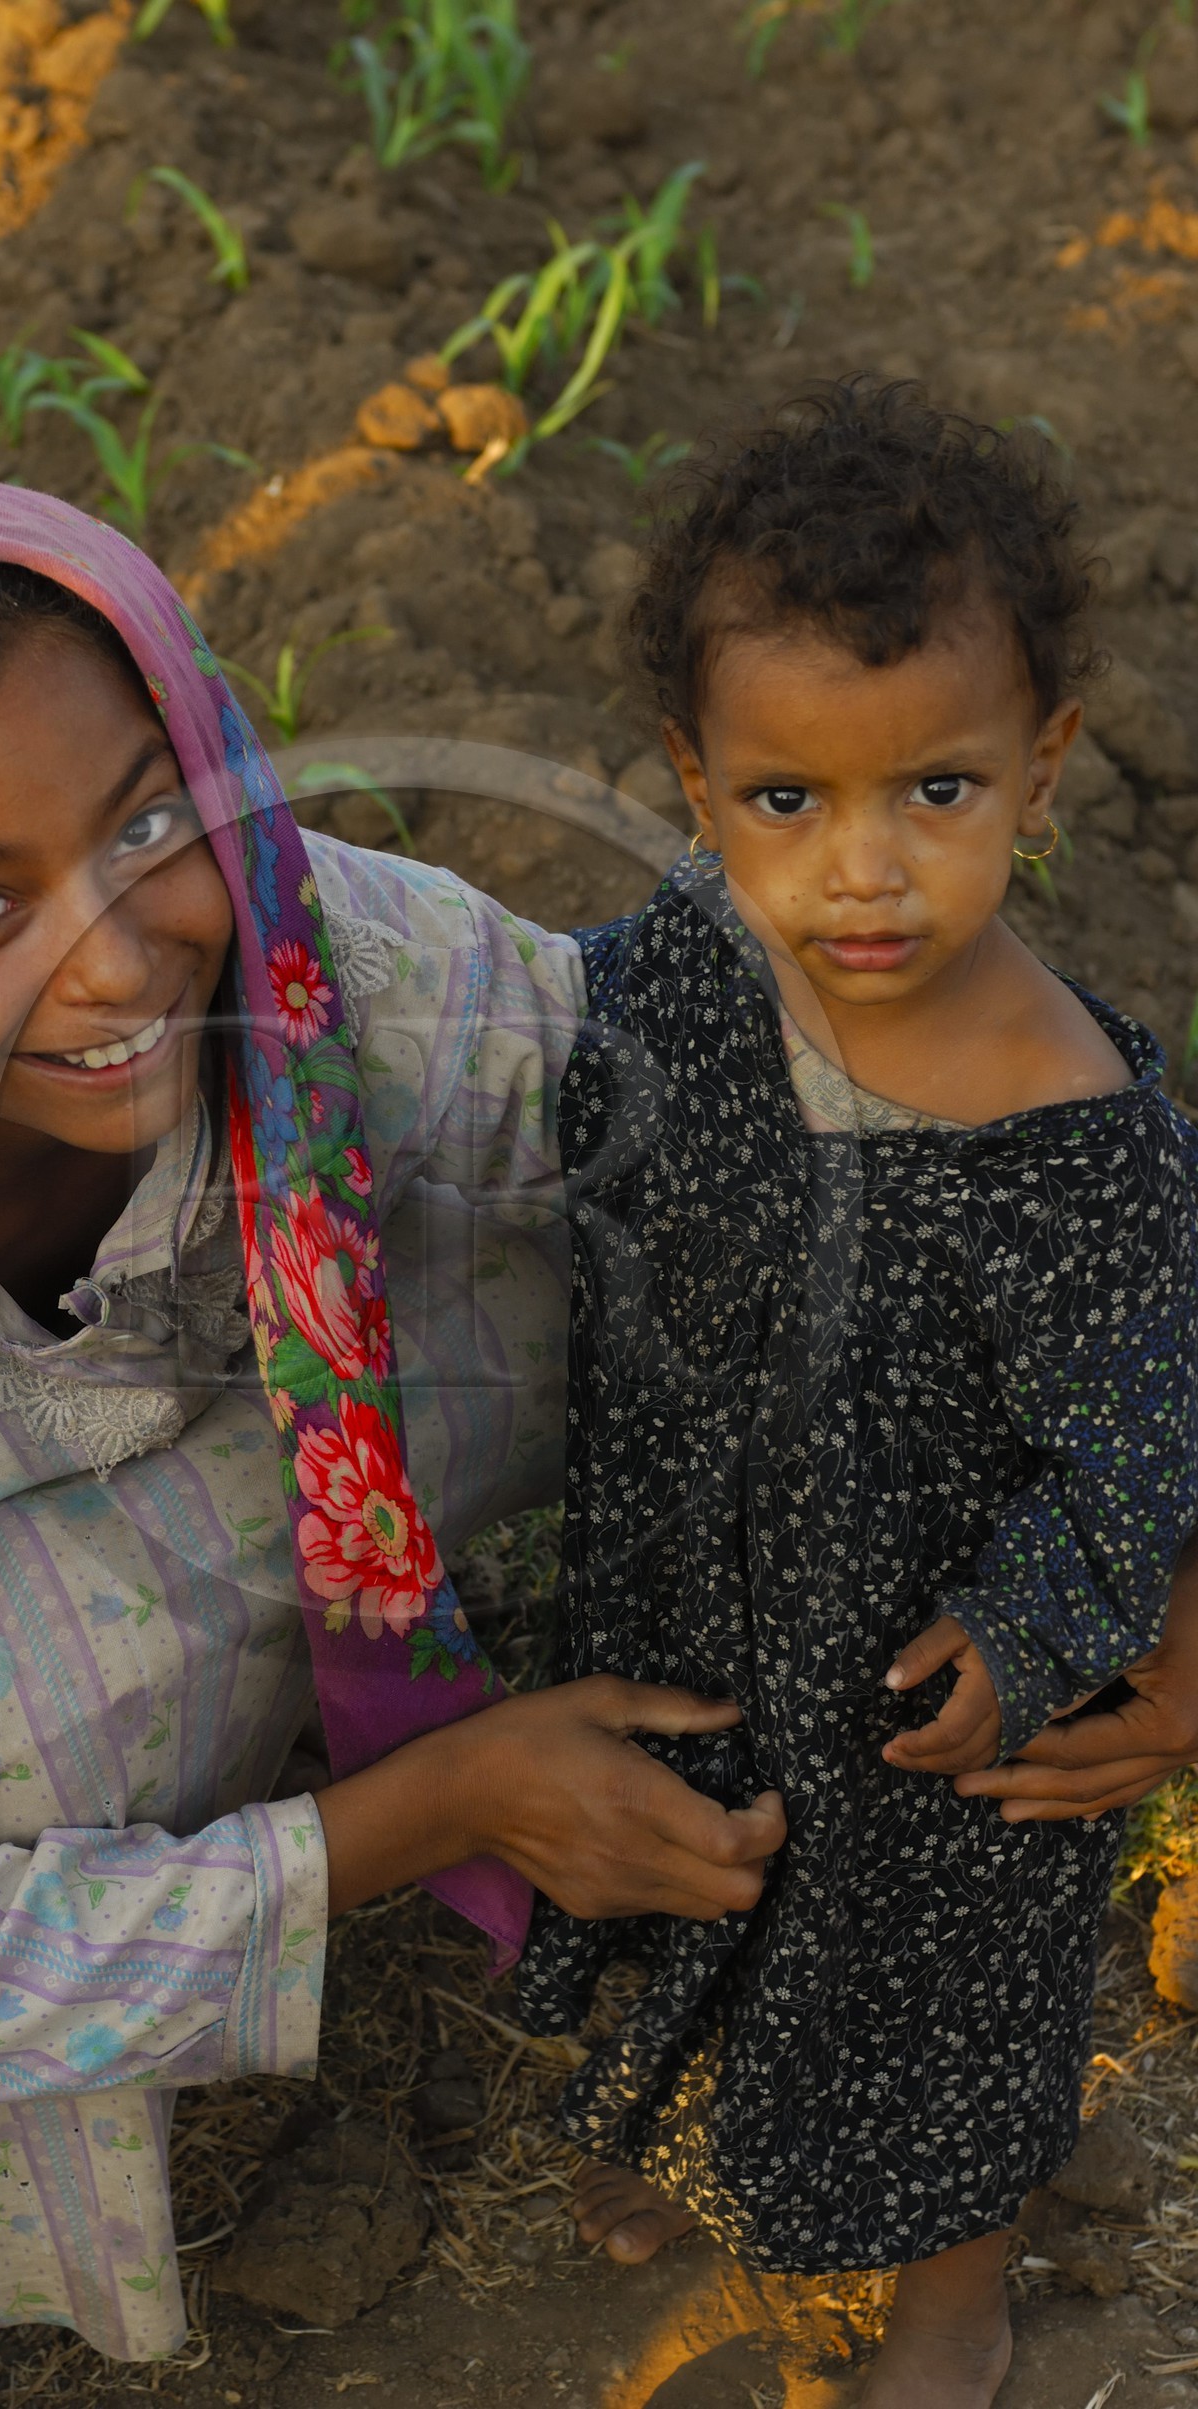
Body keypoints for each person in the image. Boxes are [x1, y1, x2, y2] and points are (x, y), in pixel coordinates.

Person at [0, 484, 792, 2409]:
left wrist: (1142, 1514)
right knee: (10, 1746)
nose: (114, 957)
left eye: (147, 821)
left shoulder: (314, 953)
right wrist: (452, 1799)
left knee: (743, 1213)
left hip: (320, 1420)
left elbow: (753, 1095)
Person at [514, 379, 1198, 2409]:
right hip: (696, 1580)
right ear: (694, 782)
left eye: (938, 792)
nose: (862, 874)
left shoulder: (1075, 1142)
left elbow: (1129, 1455)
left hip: (920, 1683)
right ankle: (684, 2127)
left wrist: (1023, 1630)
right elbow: (578, 1106)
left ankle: (954, 2291)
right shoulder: (681, 964)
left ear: (1040, 766)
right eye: (784, 802)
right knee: (679, 1872)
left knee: (935, 1994)